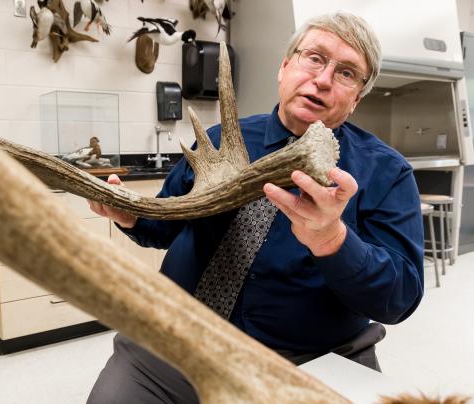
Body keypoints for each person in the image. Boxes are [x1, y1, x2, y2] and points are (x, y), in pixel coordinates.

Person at [87, 11, 424, 404]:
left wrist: (333, 241)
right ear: (284, 67)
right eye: (314, 57)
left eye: (347, 73)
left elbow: (398, 299)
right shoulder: (216, 141)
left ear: (356, 100)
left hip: (304, 361)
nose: (323, 79)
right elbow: (163, 225)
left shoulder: (387, 173)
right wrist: (132, 216)